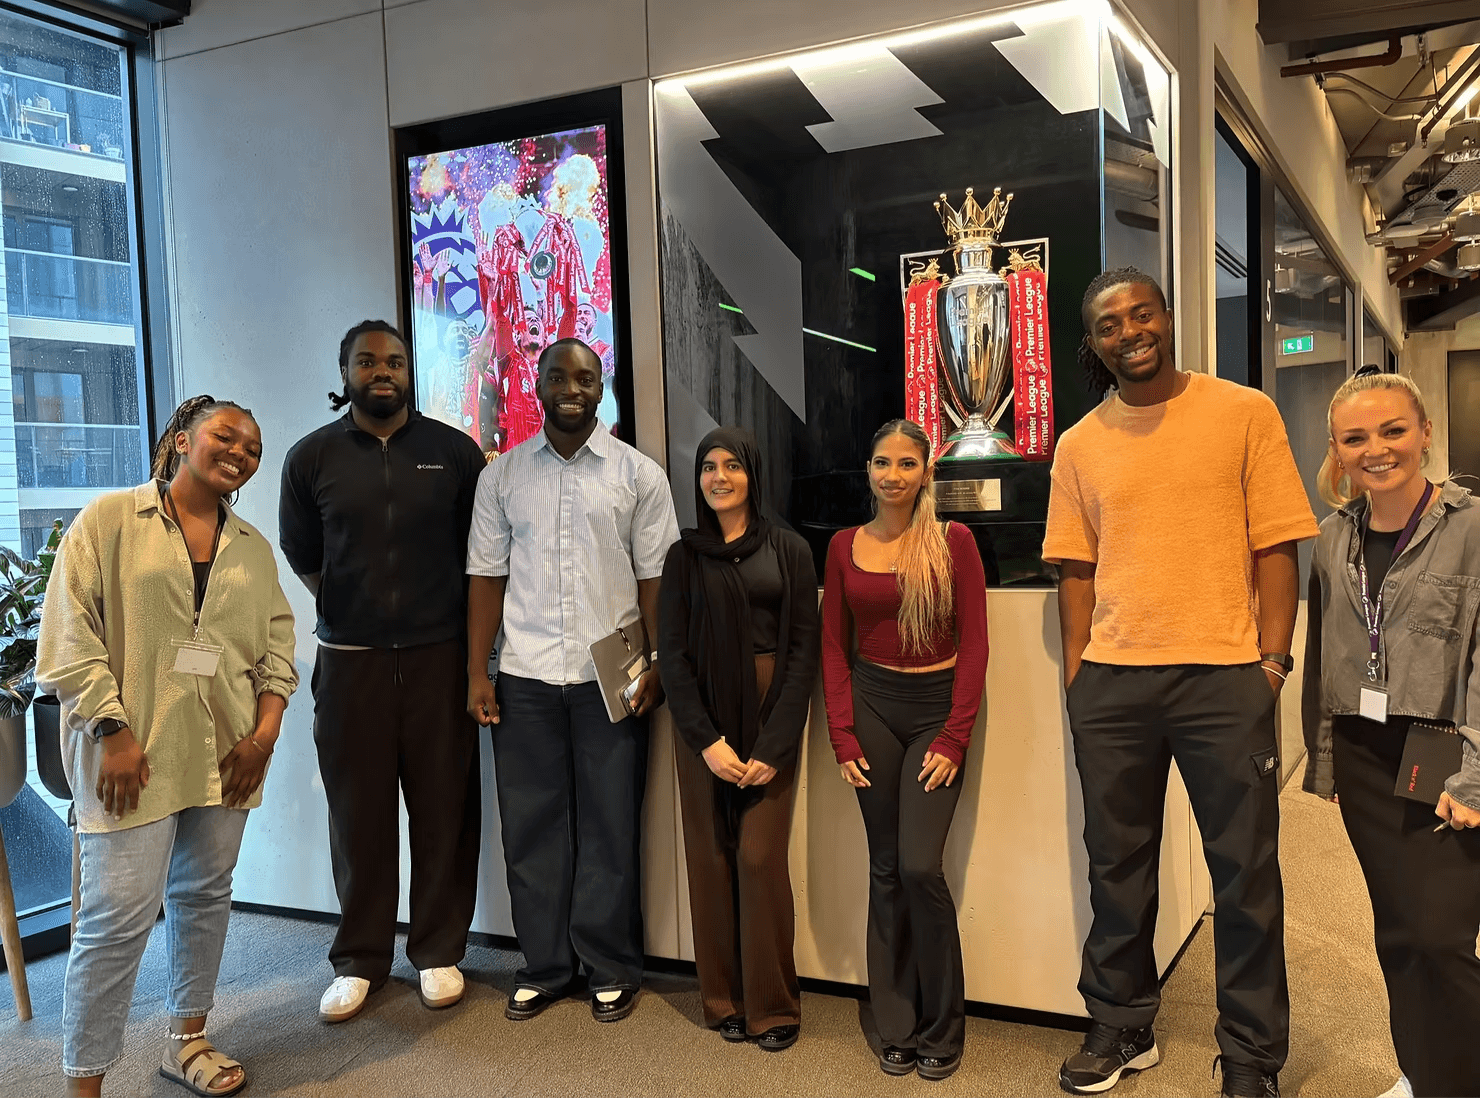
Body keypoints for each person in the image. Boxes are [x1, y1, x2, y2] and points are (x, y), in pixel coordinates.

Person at [1044, 267, 1319, 1098]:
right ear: (1093, 345)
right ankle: (1122, 1026)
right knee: (1115, 866)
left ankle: (1250, 1058)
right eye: (1109, 324)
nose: (1130, 331)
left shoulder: (1243, 413)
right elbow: (1076, 572)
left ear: (1167, 317)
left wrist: (1271, 664)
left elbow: (1279, 548)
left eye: (1142, 313)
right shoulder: (1079, 443)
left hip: (1225, 679)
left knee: (1244, 875)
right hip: (1115, 687)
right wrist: (1079, 678)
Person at [38, 396, 298, 1097]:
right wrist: (110, 730)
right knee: (115, 921)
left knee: (205, 896)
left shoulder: (252, 548)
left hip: (226, 757)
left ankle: (186, 1042)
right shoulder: (111, 521)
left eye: (252, 444)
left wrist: (265, 736)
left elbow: (278, 649)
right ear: (181, 439)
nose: (240, 450)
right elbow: (67, 637)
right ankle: (83, 1085)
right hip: (133, 755)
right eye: (225, 435)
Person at [279, 319, 486, 1025]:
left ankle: (437, 951)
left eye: (394, 360)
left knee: (443, 810)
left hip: (440, 659)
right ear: (346, 374)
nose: (383, 371)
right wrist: (353, 610)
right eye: (368, 361)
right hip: (352, 665)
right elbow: (306, 556)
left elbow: (476, 557)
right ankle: (361, 959)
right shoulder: (312, 459)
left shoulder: (455, 455)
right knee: (358, 816)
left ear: (409, 371)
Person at [466, 337, 679, 1024]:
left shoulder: (637, 475)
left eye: (583, 378)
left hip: (609, 676)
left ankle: (610, 964)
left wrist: (653, 664)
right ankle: (548, 965)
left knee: (610, 824)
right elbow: (485, 577)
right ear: (538, 384)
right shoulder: (501, 478)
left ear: (600, 386)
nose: (570, 388)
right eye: (557, 376)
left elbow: (656, 581)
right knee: (531, 826)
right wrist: (478, 669)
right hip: (524, 673)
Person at [1303, 369, 1480, 1098]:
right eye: (1356, 437)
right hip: (1366, 754)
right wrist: (1327, 764)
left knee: (1440, 936)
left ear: (1426, 432)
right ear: (1339, 451)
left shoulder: (1470, 527)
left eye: (1393, 430)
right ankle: (1424, 1072)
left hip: (1447, 752)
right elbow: (1326, 652)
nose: (1377, 449)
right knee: (1399, 932)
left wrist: (1476, 773)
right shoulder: (1330, 539)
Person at [820, 418, 988, 1081]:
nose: (893, 475)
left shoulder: (955, 541)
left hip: (934, 713)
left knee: (921, 867)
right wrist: (841, 731)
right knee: (885, 867)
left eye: (907, 464)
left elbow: (974, 644)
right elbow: (835, 645)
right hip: (871, 711)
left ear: (926, 472)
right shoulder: (841, 546)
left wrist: (955, 734)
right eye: (882, 462)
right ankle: (896, 1022)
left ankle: (943, 1026)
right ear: (868, 469)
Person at [658, 427, 820, 1051]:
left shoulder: (789, 550)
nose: (719, 477)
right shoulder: (684, 556)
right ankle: (723, 999)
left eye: (732, 465)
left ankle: (774, 1007)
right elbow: (671, 654)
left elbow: (803, 652)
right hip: (701, 721)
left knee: (756, 858)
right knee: (710, 859)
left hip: (771, 712)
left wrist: (774, 745)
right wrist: (706, 741)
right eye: (707, 467)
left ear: (753, 474)